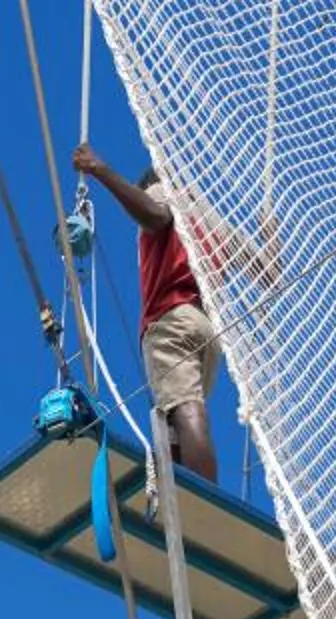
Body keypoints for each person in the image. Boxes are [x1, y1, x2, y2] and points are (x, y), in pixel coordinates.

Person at [73, 140, 220, 484]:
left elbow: (155, 215)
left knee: (184, 406)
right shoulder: (207, 223)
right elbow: (266, 271)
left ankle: (206, 499)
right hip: (209, 332)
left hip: (171, 320)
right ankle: (182, 494)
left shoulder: (162, 191)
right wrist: (269, 237)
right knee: (175, 419)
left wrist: (100, 169)